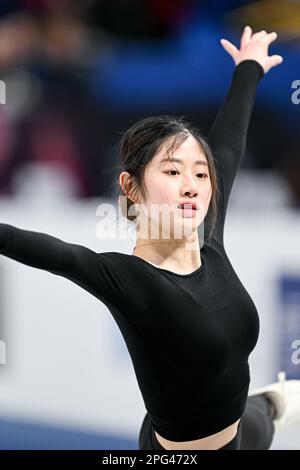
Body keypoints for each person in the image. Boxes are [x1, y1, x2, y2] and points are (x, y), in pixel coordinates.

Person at [0, 26, 299, 450]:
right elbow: (52, 252)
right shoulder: (132, 281)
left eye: (200, 173)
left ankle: (273, 400)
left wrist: (249, 66)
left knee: (269, 408)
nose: (193, 184)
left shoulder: (208, 234)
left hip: (243, 431)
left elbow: (228, 145)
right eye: (173, 172)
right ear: (132, 187)